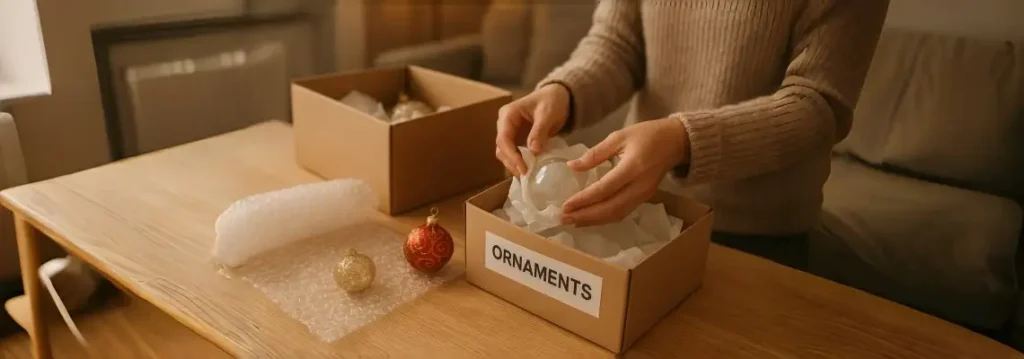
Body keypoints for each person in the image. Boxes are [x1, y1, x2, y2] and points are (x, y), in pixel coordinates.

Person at [494, 1, 890, 270]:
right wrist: (562, 92)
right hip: (639, 214)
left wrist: (682, 140)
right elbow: (618, 44)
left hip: (758, 239)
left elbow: (816, 105)